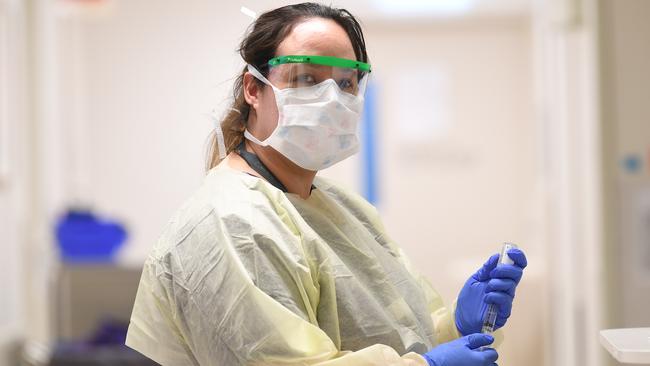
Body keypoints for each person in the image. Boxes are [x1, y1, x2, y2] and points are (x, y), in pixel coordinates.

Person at [125, 3, 527, 365]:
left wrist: (457, 327)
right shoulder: (231, 224)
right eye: (306, 78)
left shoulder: (341, 209)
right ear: (253, 89)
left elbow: (396, 333)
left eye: (347, 83)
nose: (331, 99)